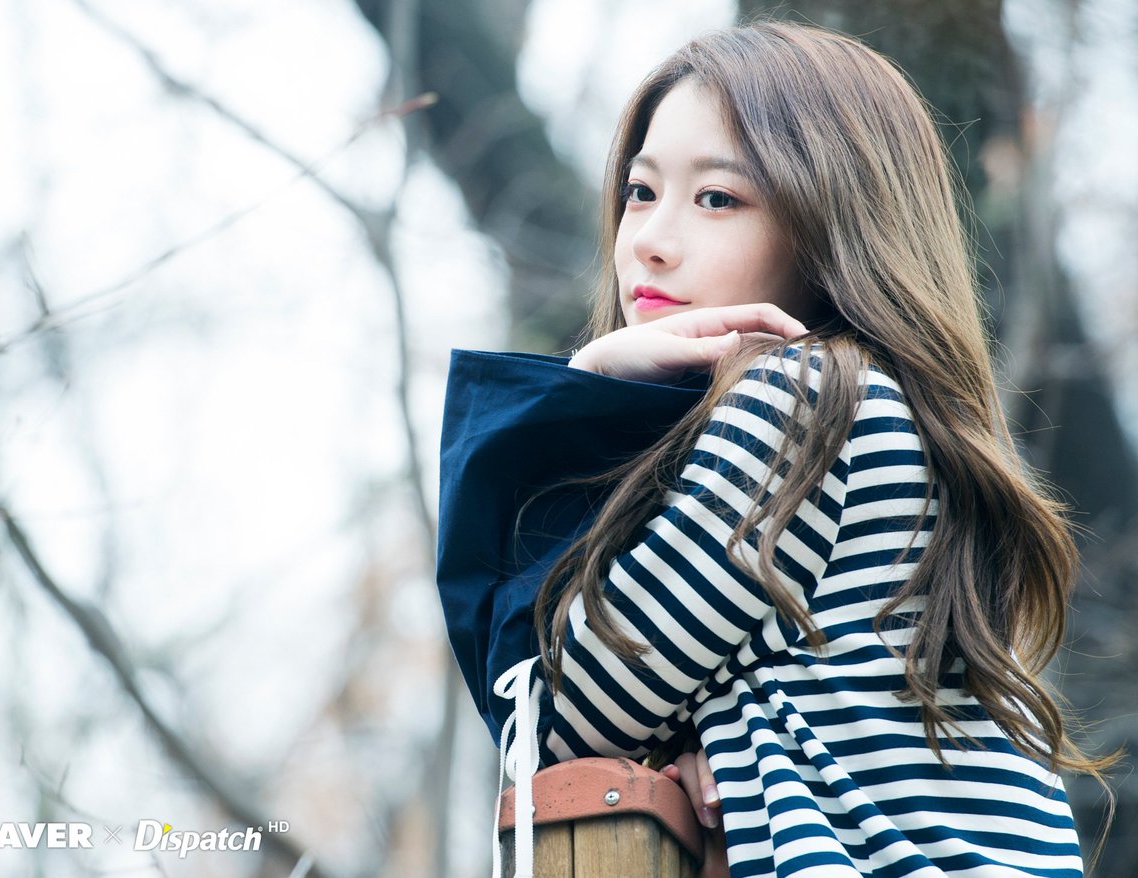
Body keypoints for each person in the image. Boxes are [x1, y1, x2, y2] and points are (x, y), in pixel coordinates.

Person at [436, 21, 1111, 878]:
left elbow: (551, 715)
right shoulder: (893, 417)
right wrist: (711, 738)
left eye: (718, 199)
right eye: (641, 191)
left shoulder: (809, 400)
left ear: (832, 224)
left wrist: (582, 387)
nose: (650, 239)